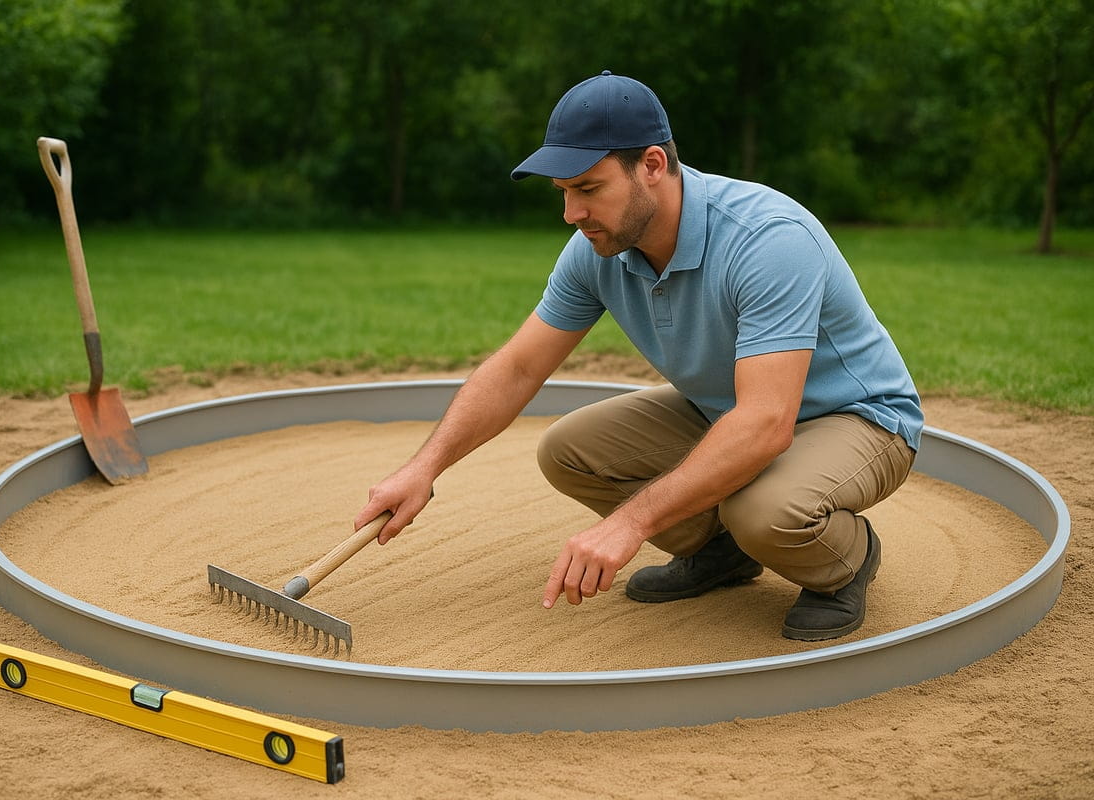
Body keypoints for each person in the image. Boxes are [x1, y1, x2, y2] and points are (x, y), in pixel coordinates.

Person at [355, 70, 922, 641]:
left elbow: (767, 423)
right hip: (729, 410)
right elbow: (518, 368)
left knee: (762, 511)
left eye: (588, 188)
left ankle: (843, 562)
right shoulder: (596, 250)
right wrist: (423, 469)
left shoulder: (767, 238)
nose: (571, 213)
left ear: (652, 166)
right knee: (569, 451)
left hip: (857, 418)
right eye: (564, 193)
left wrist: (630, 524)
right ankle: (723, 554)